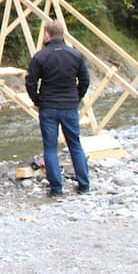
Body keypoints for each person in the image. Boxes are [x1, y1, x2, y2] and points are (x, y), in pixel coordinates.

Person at [25, 19, 91, 196]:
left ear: (47, 34)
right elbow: (85, 80)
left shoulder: (40, 56)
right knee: (74, 144)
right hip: (69, 104)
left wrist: (37, 100)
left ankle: (56, 189)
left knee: (50, 147)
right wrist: (77, 97)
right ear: (62, 34)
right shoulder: (75, 55)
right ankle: (84, 184)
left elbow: (30, 82)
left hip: (48, 105)